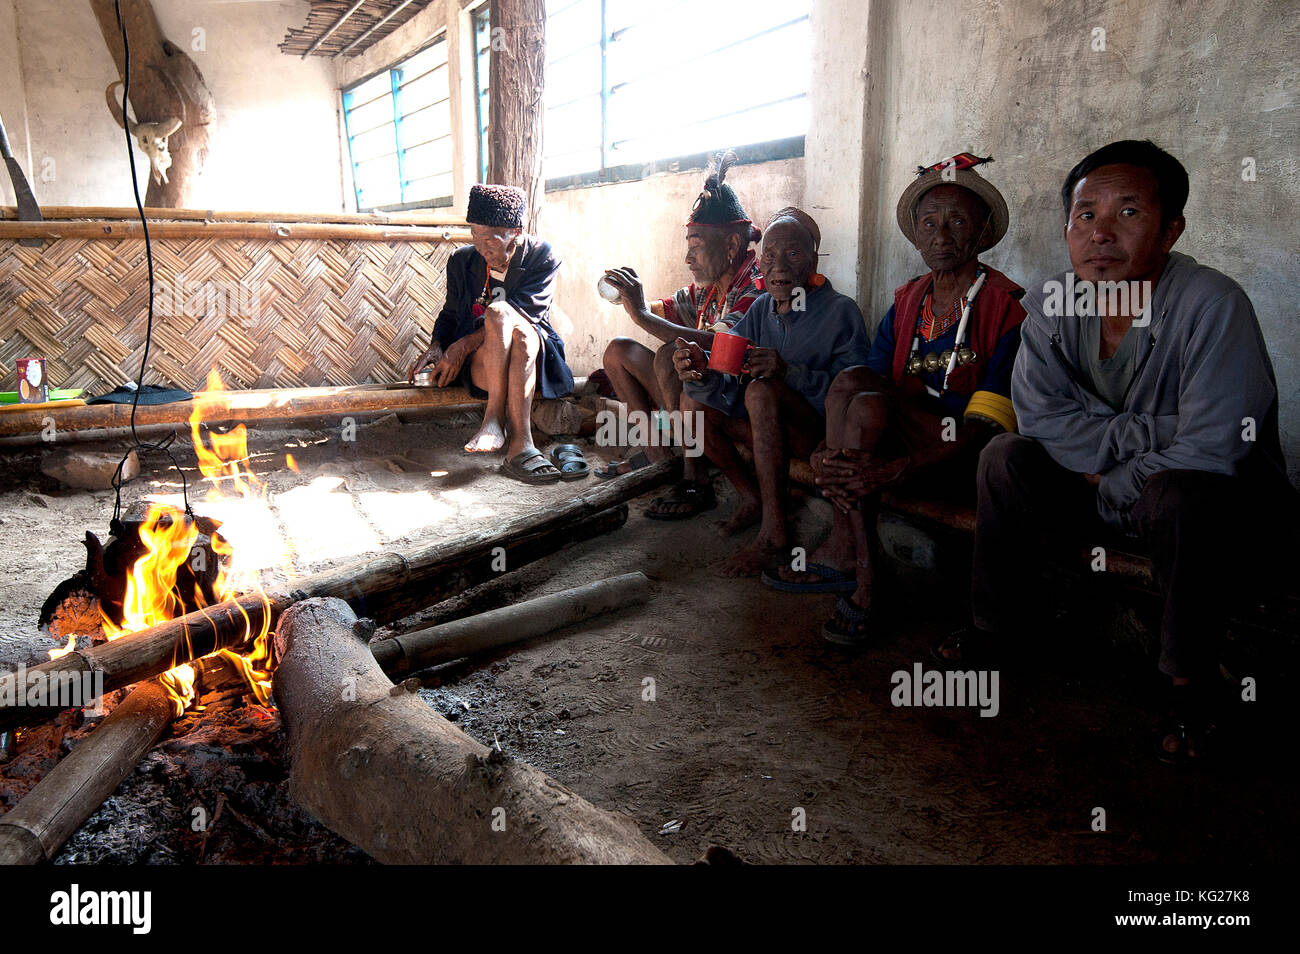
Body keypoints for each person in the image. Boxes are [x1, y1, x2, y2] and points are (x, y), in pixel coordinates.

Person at [946, 139, 1298, 763]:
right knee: (1005, 456)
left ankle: (1190, 683)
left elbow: (1215, 447)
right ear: (1067, 228)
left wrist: (1108, 478)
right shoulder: (1054, 305)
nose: (1102, 233)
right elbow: (1042, 420)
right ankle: (994, 635)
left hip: (1218, 511)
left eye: (1129, 213)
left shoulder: (1213, 304)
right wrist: (1154, 432)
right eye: (1087, 215)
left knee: (1181, 492)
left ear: (1170, 230)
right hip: (1109, 490)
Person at [768, 155, 1026, 647]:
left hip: (960, 455)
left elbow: (988, 430)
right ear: (914, 233)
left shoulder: (1008, 306)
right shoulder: (908, 300)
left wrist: (900, 467)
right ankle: (868, 571)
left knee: (861, 399)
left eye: (957, 222)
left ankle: (860, 573)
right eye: (929, 223)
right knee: (854, 390)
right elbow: (865, 385)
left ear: (984, 230)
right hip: (894, 442)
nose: (941, 235)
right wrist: (827, 450)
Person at [673, 207, 871, 576]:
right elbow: (728, 379)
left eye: (793, 254)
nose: (778, 265)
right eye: (770, 256)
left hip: (818, 437)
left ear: (813, 260)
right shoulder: (761, 309)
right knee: (694, 403)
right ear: (760, 264)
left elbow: (855, 394)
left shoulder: (841, 312)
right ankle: (752, 498)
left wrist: (790, 373)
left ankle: (775, 536)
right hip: (768, 430)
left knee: (762, 392)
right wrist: (700, 371)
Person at [600, 150, 763, 517]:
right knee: (618, 351)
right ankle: (660, 455)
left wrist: (641, 313)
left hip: (727, 405)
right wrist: (628, 297)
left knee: (674, 353)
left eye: (696, 248)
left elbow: (717, 344)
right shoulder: (706, 287)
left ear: (732, 246)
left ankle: (695, 475)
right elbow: (663, 311)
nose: (688, 259)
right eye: (688, 248)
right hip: (694, 404)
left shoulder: (755, 285)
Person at [407, 184, 575, 483]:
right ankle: (519, 445)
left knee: (505, 318)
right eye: (474, 235)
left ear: (516, 231)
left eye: (488, 238)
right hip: (485, 363)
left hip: (534, 362)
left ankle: (497, 420)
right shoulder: (462, 260)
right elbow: (450, 312)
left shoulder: (541, 256)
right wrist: (437, 346)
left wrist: (463, 344)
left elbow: (526, 313)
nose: (480, 246)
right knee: (499, 319)